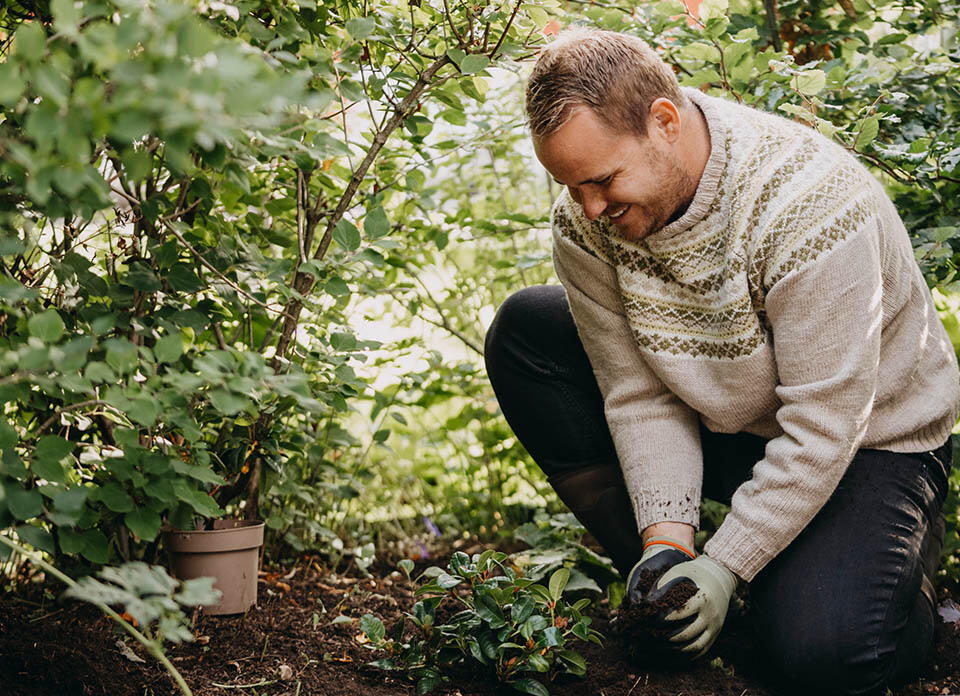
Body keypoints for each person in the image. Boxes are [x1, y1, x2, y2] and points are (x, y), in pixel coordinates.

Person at [484, 27, 959, 695]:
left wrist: (729, 562)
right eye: (570, 187)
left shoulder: (808, 206)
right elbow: (640, 395)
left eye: (603, 180)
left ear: (665, 122)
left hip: (869, 441)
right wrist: (670, 548)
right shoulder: (587, 224)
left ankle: (904, 584)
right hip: (736, 419)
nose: (589, 209)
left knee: (824, 656)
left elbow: (826, 425)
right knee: (527, 330)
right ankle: (679, 592)